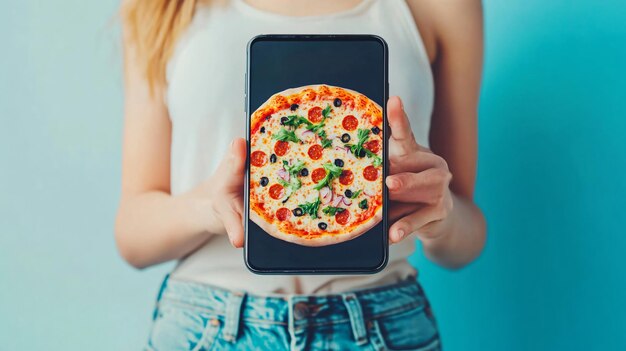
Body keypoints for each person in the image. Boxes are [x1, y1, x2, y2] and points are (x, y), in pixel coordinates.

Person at [115, 0, 486, 349]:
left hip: (381, 322)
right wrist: (210, 207)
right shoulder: (164, 6)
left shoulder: (442, 6)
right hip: (206, 323)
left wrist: (440, 215)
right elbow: (133, 235)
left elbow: (467, 238)